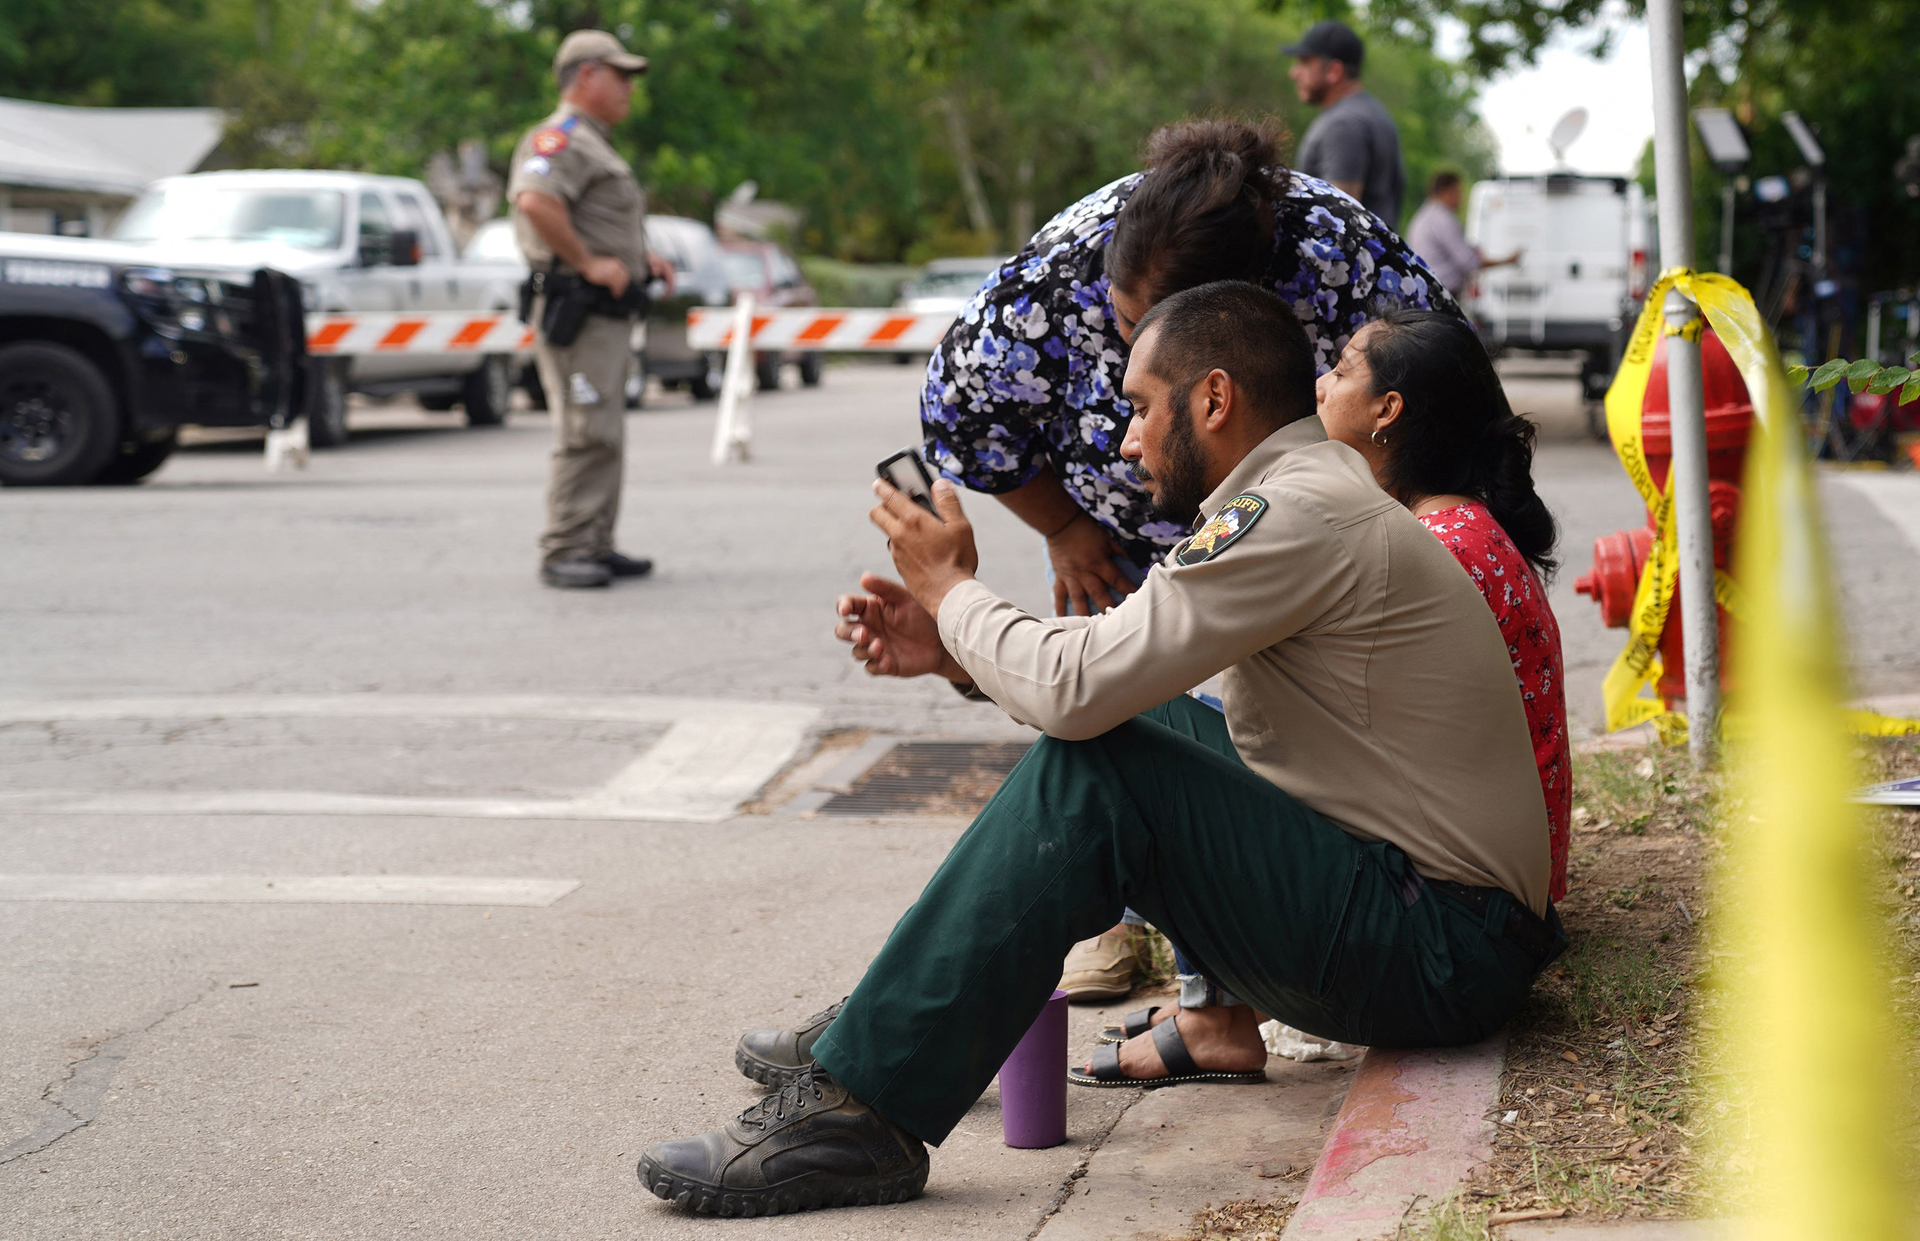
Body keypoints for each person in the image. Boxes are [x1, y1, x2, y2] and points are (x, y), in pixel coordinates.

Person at [637, 281, 1563, 1217]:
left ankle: (864, 1103)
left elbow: (1075, 695)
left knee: (1103, 764)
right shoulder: (1308, 494)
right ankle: (893, 1024)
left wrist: (953, 591)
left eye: (1137, 406)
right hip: (1433, 921)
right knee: (1132, 733)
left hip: (1440, 946)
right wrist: (956, 651)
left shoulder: (1296, 512)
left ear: (1212, 399)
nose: (1126, 439)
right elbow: (1109, 677)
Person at [921, 117, 1458, 1001]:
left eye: (1150, 342)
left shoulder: (1348, 263)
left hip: (1315, 542)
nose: (1125, 353)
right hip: (1134, 544)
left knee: (1217, 743)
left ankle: (1228, 975)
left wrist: (950, 596)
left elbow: (1444, 394)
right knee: (1122, 720)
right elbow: (960, 412)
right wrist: (1062, 526)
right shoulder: (1059, 275)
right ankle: (1108, 920)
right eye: (1120, 324)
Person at [1099, 307, 1574, 1070]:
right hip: (1489, 870)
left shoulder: (1435, 543)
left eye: (1343, 370)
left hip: (1464, 890)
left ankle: (1217, 1015)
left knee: (1191, 741)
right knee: (1189, 723)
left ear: (1389, 411)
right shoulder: (1444, 527)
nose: (1318, 385)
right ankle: (1214, 1007)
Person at [508, 29, 667, 590]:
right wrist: (590, 262)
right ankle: (566, 548)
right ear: (586, 76)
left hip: (605, 316)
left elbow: (595, 215)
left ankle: (595, 542)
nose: (628, 87)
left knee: (604, 428)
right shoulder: (561, 138)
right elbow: (535, 200)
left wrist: (640, 258)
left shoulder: (593, 141)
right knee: (585, 430)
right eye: (620, 75)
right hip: (579, 311)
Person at [1284, 20, 1405, 227]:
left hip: (1344, 260)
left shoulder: (1343, 125)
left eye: (1304, 62)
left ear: (1334, 71)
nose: (1294, 73)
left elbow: (1338, 222)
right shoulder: (1373, 113)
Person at [1403, 171, 1520, 299]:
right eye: (1458, 192)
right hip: (1440, 295)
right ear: (1448, 191)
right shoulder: (1443, 218)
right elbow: (1469, 262)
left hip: (1425, 290)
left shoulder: (1423, 216)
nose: (1461, 198)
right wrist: (1507, 261)